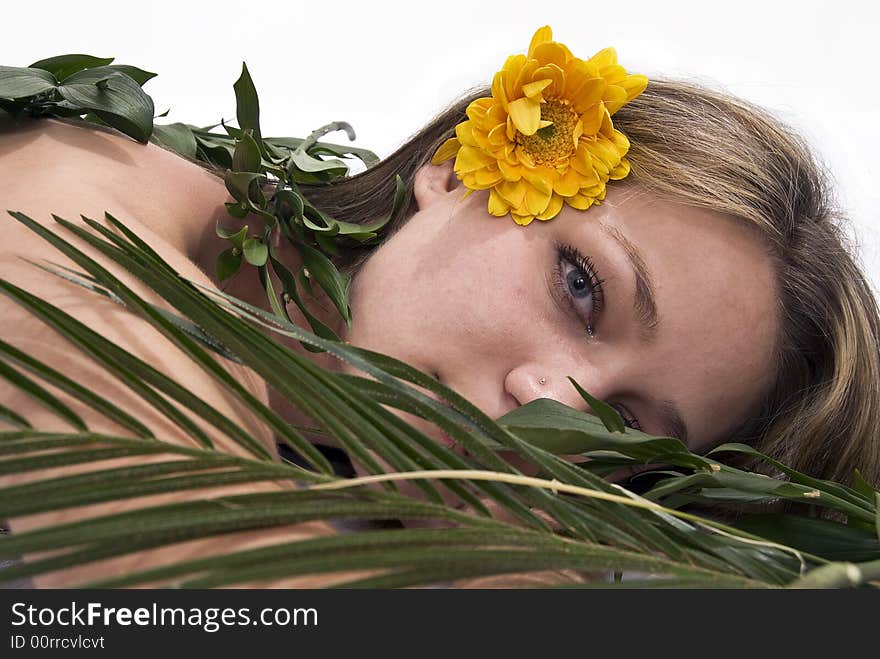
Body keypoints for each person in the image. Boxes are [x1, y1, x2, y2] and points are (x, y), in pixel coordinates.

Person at [1, 27, 878, 587]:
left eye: (621, 420)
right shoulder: (87, 185)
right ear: (463, 169)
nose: (553, 401)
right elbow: (181, 558)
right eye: (582, 285)